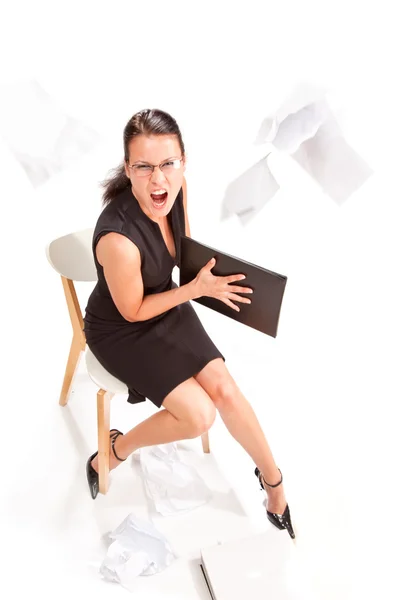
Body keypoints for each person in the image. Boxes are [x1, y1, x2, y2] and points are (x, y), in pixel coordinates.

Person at [83, 108, 295, 539]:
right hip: (122, 327)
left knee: (226, 391)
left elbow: (181, 254)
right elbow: (133, 311)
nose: (157, 179)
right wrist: (196, 291)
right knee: (199, 416)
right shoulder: (118, 241)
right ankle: (114, 449)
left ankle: (275, 486)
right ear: (128, 168)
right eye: (143, 167)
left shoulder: (175, 191)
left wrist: (214, 282)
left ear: (182, 161)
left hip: (167, 301)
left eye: (167, 164)